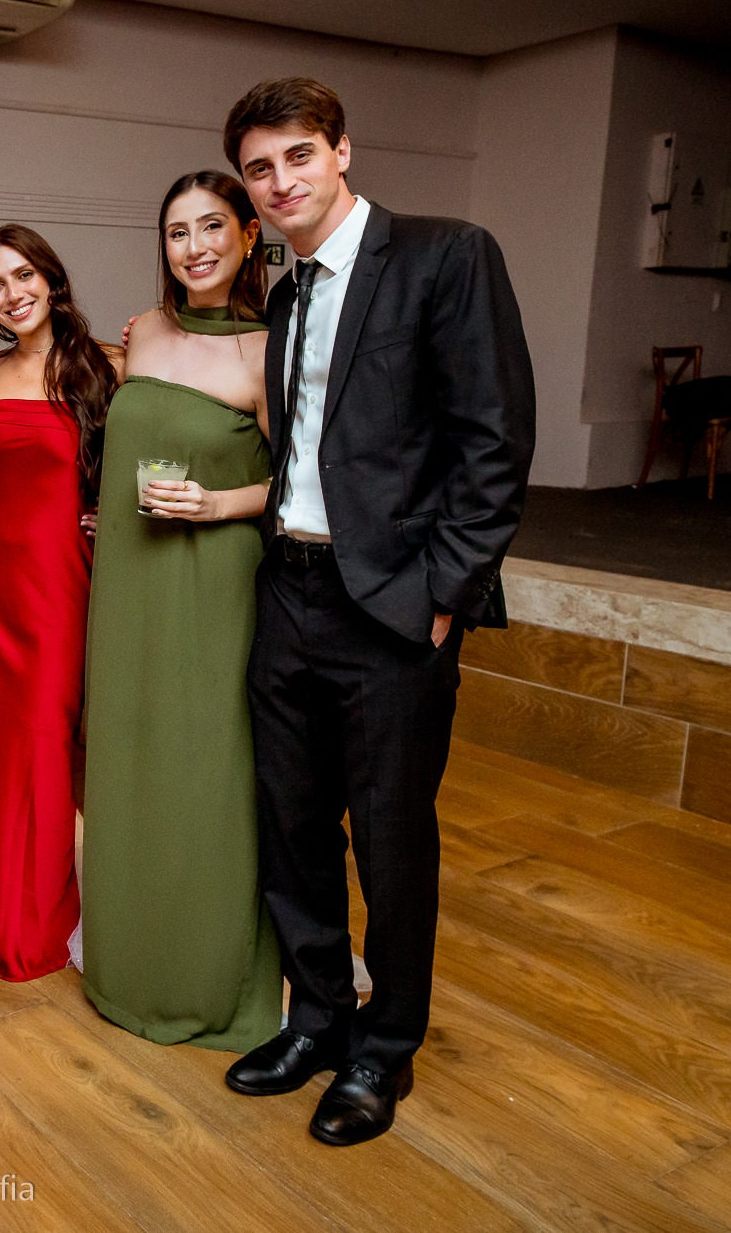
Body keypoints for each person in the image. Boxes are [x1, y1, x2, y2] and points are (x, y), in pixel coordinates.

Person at [220, 78, 534, 1144]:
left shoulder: (446, 257)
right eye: (260, 169)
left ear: (341, 151)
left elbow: (494, 441)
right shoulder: (285, 293)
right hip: (289, 589)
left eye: (298, 156)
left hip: (394, 606)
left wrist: (444, 595)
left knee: (390, 838)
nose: (280, 182)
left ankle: (383, 1047)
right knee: (292, 823)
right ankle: (316, 1017)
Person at [82, 171, 281, 1050]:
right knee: (130, 757)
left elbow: (302, 485)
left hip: (216, 580)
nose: (194, 247)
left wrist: (218, 503)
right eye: (176, 232)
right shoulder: (146, 332)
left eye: (211, 227)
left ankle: (205, 970)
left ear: (248, 235)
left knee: (207, 769)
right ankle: (128, 962)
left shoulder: (270, 350)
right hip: (131, 578)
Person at [0, 224, 117, 983]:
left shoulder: (105, 367)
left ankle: (40, 916)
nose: (12, 294)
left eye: (23, 276)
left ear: (50, 279)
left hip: (56, 583)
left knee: (46, 741)